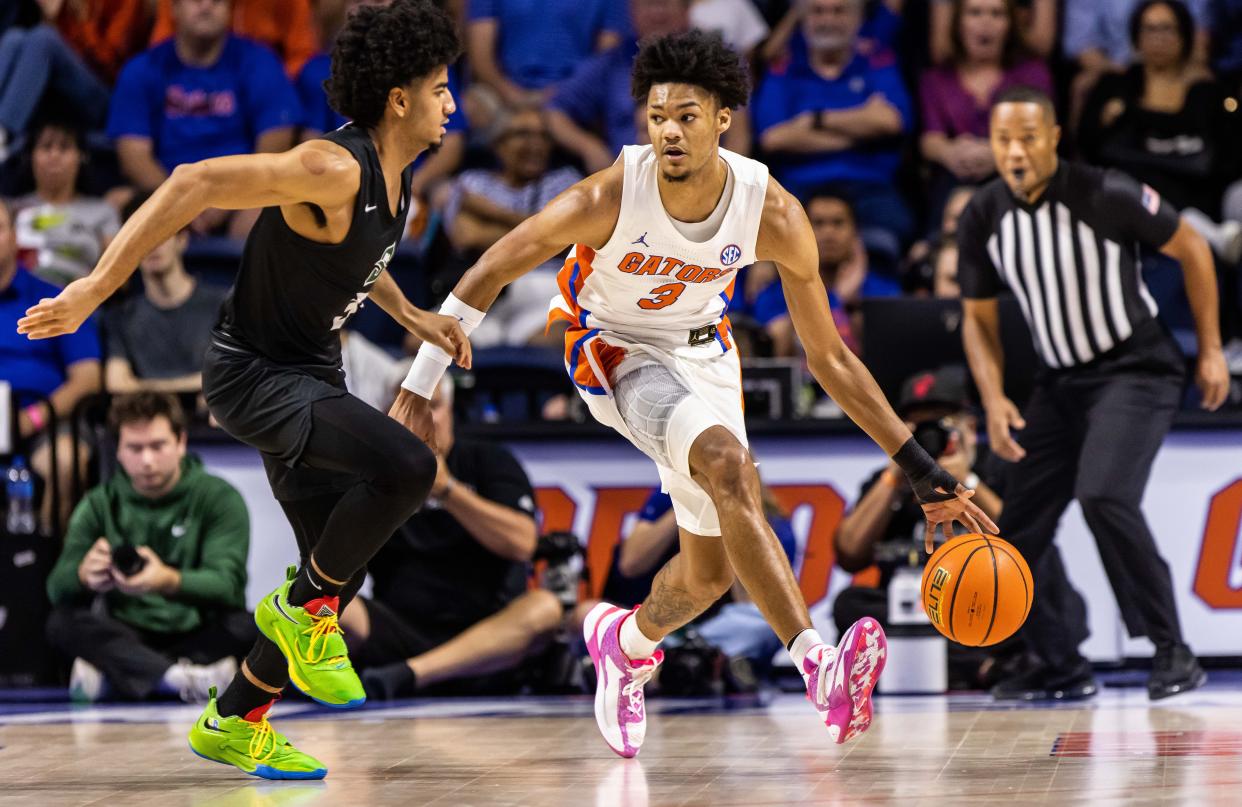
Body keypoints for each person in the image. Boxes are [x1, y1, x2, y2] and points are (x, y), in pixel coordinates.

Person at [393, 29, 994, 757]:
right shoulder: (612, 191)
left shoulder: (772, 211)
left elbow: (830, 357)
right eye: (656, 116)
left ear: (722, 119)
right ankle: (819, 666)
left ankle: (625, 642)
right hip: (612, 349)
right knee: (729, 464)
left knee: (707, 576)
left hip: (707, 353)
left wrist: (921, 469)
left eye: (686, 114)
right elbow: (487, 270)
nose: (669, 129)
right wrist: (420, 385)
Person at [20, 0, 470, 780]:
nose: (452, 104)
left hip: (306, 370)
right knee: (405, 468)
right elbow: (192, 182)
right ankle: (302, 612)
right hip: (253, 373)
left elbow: (360, 260)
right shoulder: (332, 167)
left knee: (337, 563)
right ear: (399, 99)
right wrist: (93, 288)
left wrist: (412, 314)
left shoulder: (395, 184)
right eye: (439, 88)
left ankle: (236, 717)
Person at [957, 86, 1229, 701]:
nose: (1015, 151)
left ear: (1053, 136)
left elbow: (1192, 249)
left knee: (1104, 494)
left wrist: (1210, 348)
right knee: (1015, 528)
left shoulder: (1106, 192)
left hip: (1136, 368)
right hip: (1059, 384)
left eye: (1028, 136)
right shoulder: (984, 214)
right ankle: (1059, 665)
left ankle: (1172, 651)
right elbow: (977, 317)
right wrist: (994, 396)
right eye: (1003, 139)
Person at [338, 376, 562, 699]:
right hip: (399, 627)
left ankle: (414, 674)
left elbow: (523, 543)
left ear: (452, 411)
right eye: (410, 408)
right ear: (389, 416)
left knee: (545, 608)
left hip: (487, 633)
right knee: (326, 605)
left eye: (433, 406)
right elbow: (341, 561)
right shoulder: (374, 476)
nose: (423, 418)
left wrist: (446, 490)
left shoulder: (488, 461)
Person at [44, 393, 254, 703]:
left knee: (254, 624)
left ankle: (125, 676)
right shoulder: (99, 504)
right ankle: (178, 678)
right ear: (117, 450)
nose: (147, 461)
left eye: (157, 446)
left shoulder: (219, 497)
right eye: (135, 448)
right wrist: (83, 575)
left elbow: (229, 586)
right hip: (128, 630)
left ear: (180, 442)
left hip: (199, 629)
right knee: (62, 622)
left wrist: (167, 580)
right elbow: (55, 588)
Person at [107, 0, 302, 239]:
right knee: (115, 205)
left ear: (230, 9)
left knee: (270, 211)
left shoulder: (260, 62)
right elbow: (134, 156)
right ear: (175, 9)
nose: (206, 6)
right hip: (166, 191)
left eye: (217, 1)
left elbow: (275, 143)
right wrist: (181, 201)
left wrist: (224, 200)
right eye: (196, 0)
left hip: (241, 194)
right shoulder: (142, 68)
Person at [1078, 0, 1242, 260]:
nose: (1158, 39)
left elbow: (1227, 158)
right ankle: (1209, 235)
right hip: (1130, 199)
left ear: (1185, 35)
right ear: (1135, 36)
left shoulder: (1208, 93)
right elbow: (1088, 146)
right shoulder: (1115, 87)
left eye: (1167, 29)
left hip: (1196, 195)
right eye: (1150, 29)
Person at [753, 0, 915, 250]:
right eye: (818, 11)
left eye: (838, 11)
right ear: (804, 19)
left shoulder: (876, 61)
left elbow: (892, 121)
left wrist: (816, 121)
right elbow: (774, 138)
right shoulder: (784, 68)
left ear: (857, 19)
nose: (828, 20)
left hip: (869, 185)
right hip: (799, 187)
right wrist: (862, 129)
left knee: (893, 236)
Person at [0, 198, 100, 535]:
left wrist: (34, 419)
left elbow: (87, 377)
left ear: (14, 236)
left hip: (44, 422)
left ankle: (43, 565)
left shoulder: (52, 299)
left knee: (66, 463)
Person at [444, 104, 582, 347]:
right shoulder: (473, 182)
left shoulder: (566, 182)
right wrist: (543, 235)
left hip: (545, 289)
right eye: (523, 134)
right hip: (485, 290)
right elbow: (466, 237)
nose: (535, 144)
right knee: (425, 343)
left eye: (543, 136)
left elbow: (570, 244)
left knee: (561, 341)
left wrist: (492, 213)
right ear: (498, 143)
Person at [919, 0, 1054, 190]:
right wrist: (949, 153)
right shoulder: (936, 78)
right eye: (975, 13)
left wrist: (999, 153)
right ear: (958, 23)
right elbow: (930, 138)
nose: (986, 22)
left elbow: (1041, 135)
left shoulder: (1033, 74)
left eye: (997, 14)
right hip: (955, 176)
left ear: (1010, 25)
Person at [547, 0, 692, 174]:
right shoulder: (611, 63)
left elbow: (734, 116)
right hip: (627, 182)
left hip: (698, 182)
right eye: (649, 5)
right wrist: (590, 148)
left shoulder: (712, 62)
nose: (657, 14)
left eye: (663, 4)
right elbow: (554, 111)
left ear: (686, 10)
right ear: (632, 12)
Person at [104, 193, 228, 393]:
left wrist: (145, 388)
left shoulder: (223, 304)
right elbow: (117, 383)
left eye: (161, 234)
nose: (152, 245)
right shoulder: (122, 316)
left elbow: (233, 377)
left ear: (182, 240)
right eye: (141, 238)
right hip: (150, 420)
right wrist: (195, 386)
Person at [13, 117, 120, 288]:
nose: (54, 155)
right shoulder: (11, 210)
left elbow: (119, 277)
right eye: (46, 147)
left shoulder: (102, 211)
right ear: (30, 156)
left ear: (82, 156)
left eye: (64, 147)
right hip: (17, 304)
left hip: (82, 306)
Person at [0, 4, 111, 158]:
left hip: (105, 96)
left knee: (44, 38)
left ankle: (4, 135)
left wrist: (81, 19)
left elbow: (112, 64)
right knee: (14, 38)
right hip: (55, 88)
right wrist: (49, 17)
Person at [148, 0, 317, 77]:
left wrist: (272, 82)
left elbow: (302, 52)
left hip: (263, 83)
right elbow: (161, 51)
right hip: (183, 80)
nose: (206, 6)